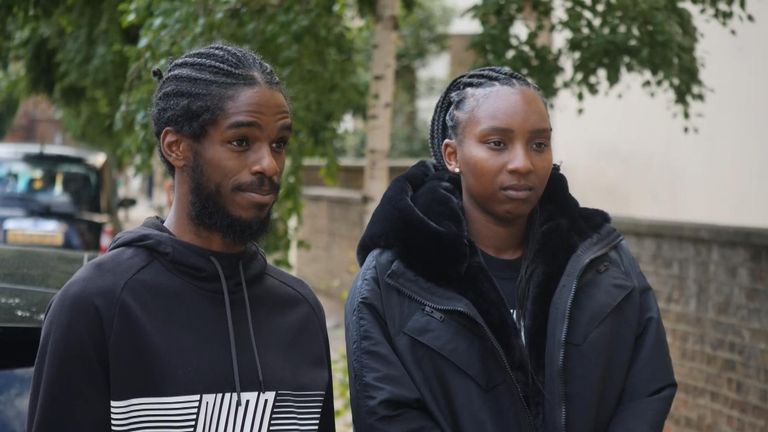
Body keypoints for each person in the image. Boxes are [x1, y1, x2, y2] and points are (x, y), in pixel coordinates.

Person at [345, 67, 676, 431]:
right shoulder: (390, 280)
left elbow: (647, 389)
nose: (522, 163)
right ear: (452, 155)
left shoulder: (605, 265)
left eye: (538, 145)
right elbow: (386, 415)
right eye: (497, 143)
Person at [28, 43, 335, 432]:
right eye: (241, 142)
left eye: (279, 144)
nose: (269, 165)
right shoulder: (96, 307)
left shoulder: (300, 313)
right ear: (177, 147)